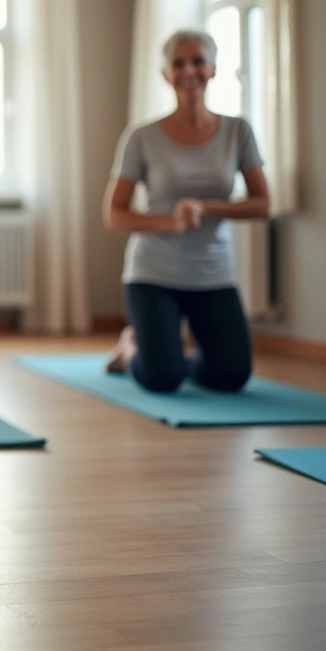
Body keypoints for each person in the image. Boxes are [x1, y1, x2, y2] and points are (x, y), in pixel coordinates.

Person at [103, 29, 270, 393]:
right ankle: (131, 348)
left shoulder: (238, 131)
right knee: (163, 378)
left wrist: (205, 207)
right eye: (178, 63)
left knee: (231, 376)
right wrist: (171, 222)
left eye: (198, 61)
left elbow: (262, 204)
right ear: (166, 74)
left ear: (213, 69)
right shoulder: (141, 137)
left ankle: (175, 359)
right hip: (153, 273)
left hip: (213, 274)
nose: (189, 70)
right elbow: (114, 215)